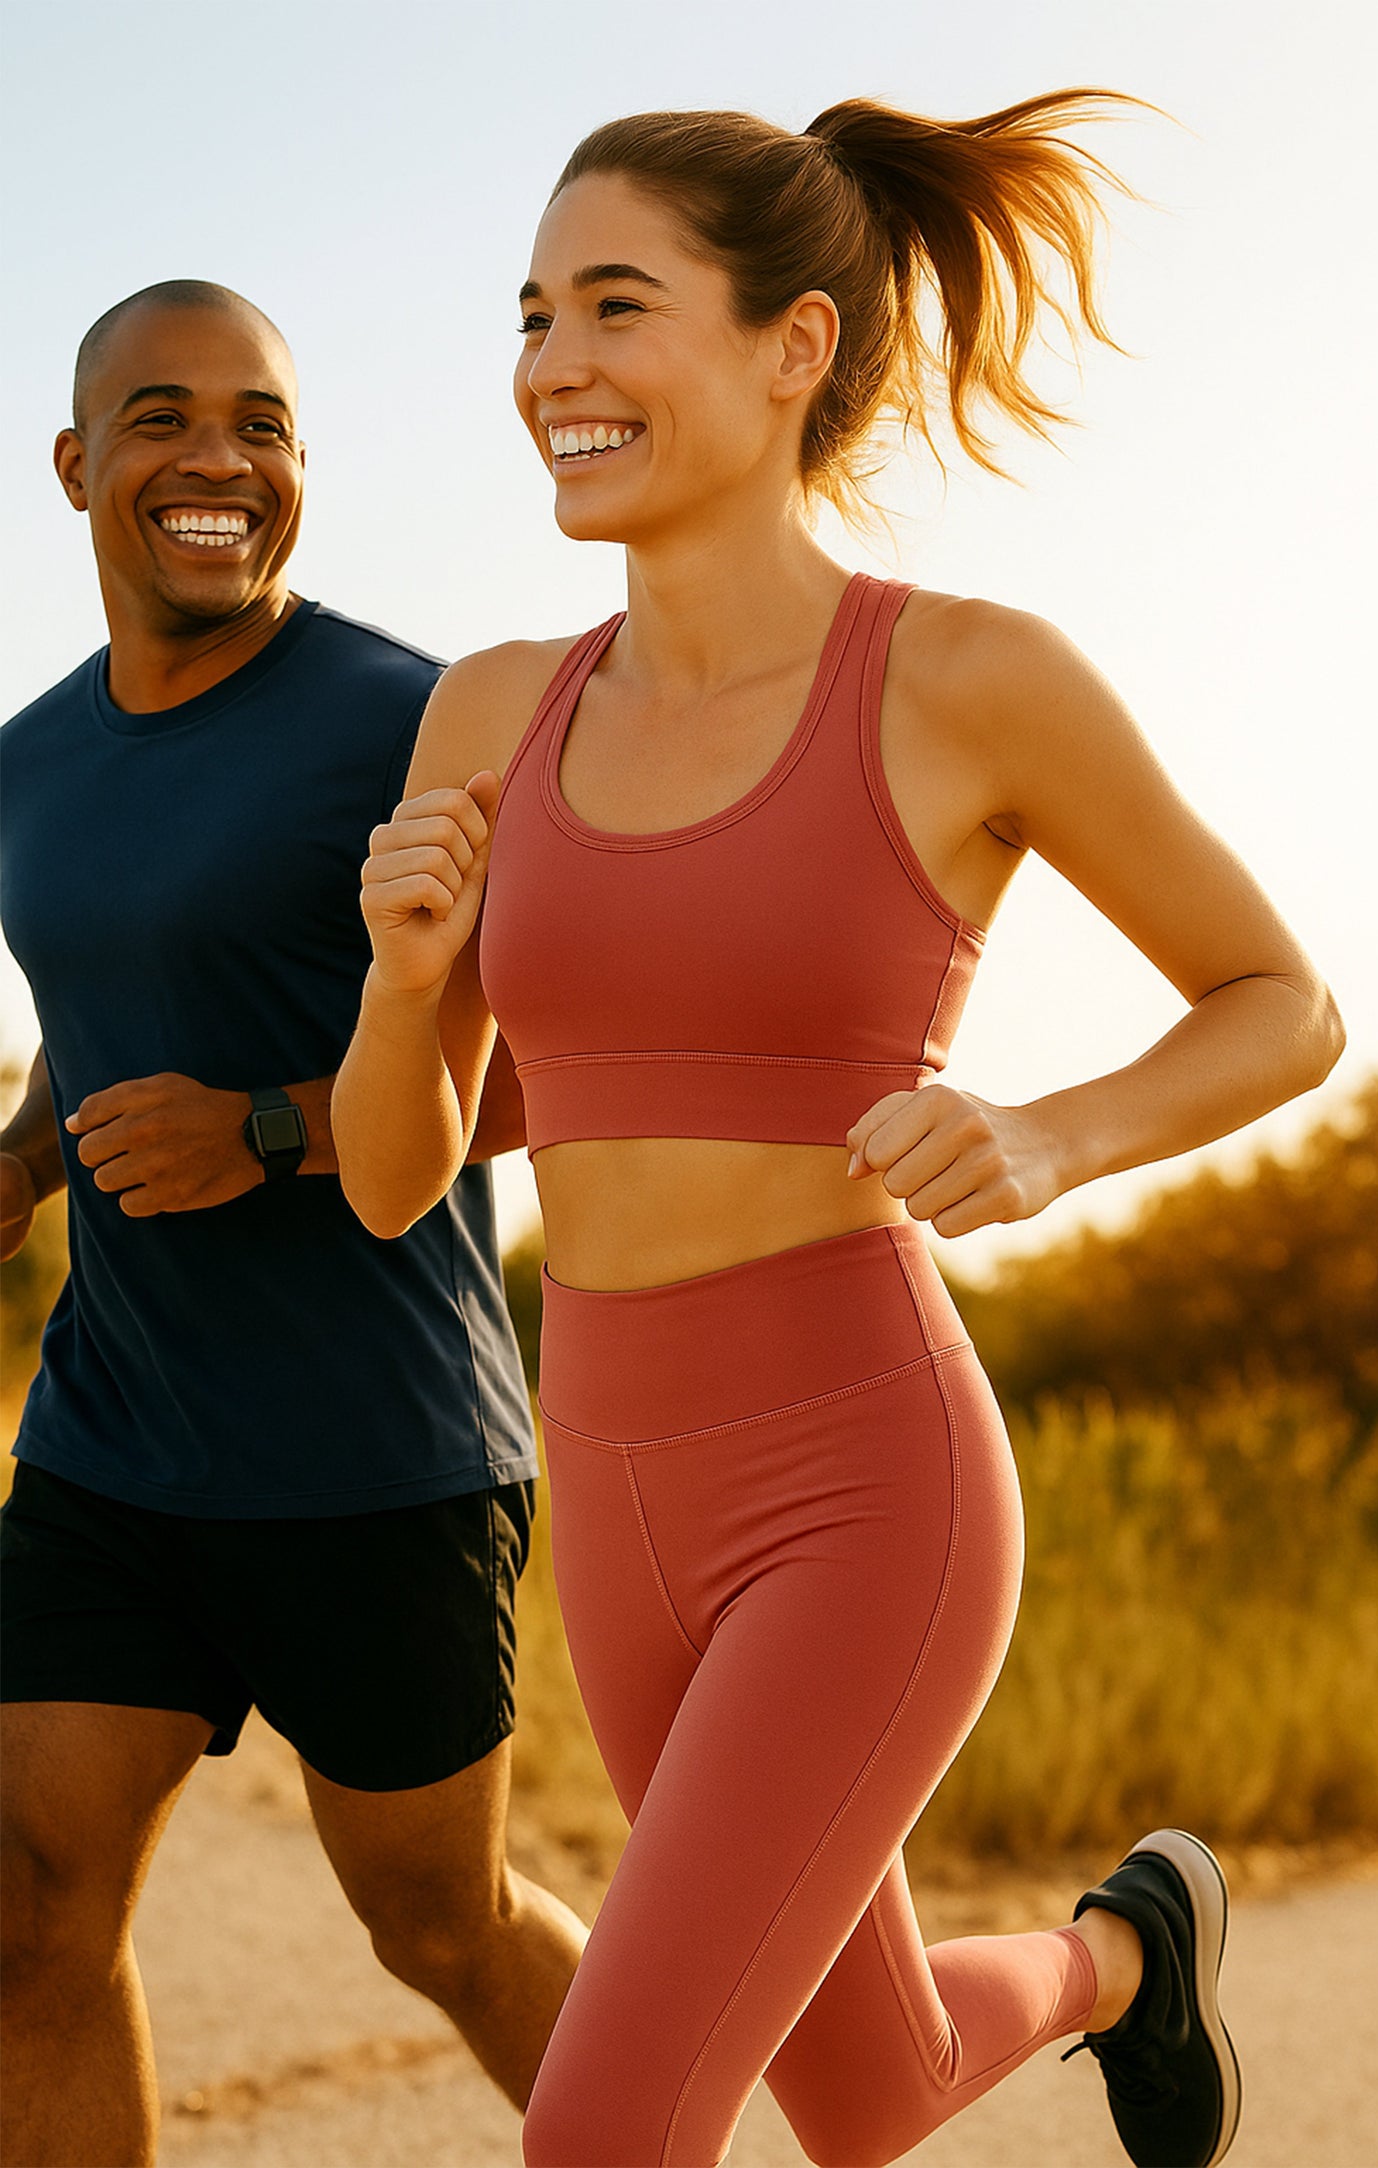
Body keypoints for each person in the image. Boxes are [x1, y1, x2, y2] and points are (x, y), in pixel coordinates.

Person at [332, 93, 1344, 2168]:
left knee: (603, 2130)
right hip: (609, 1479)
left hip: (862, 1477)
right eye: (531, 315)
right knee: (866, 2091)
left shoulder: (965, 677)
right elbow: (391, 1178)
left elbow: (1283, 1002)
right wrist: (404, 980)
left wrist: (1049, 1137)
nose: (551, 366)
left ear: (793, 344)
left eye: (617, 305)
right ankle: (1129, 1953)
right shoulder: (491, 707)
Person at [0, 280, 586, 2168]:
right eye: (164, 418)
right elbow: (111, 1001)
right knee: (26, 1906)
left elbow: (554, 1064)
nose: (219, 460)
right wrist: (21, 1162)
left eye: (259, 424)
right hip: (114, 1438)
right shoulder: (30, 758)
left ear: (303, 467)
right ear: (77, 464)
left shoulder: (405, 722)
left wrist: (268, 1128)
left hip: (373, 1448)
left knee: (439, 1923)